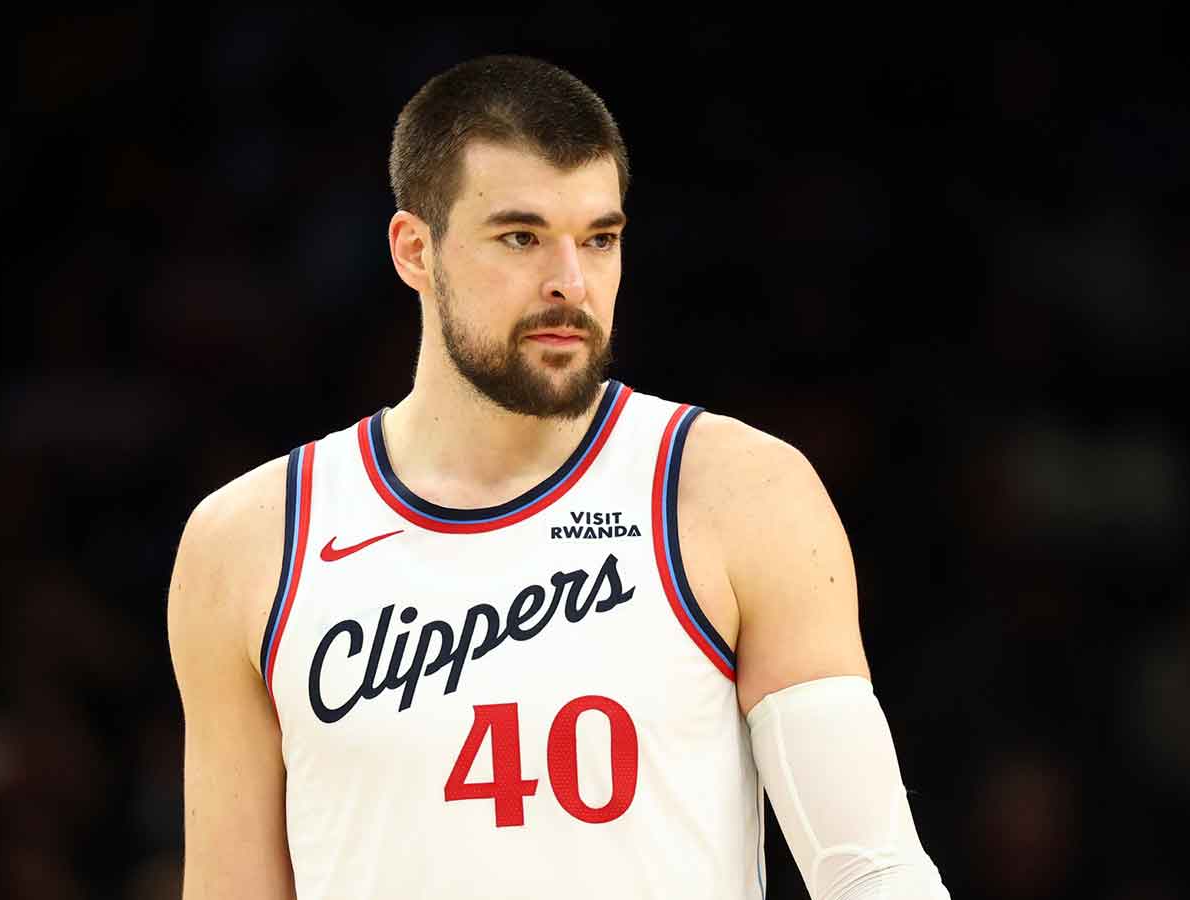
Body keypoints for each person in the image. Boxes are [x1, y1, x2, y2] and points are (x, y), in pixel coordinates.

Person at [168, 54, 951, 900]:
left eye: (600, 239)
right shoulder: (248, 542)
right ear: (414, 251)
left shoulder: (736, 491)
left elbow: (869, 870)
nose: (570, 285)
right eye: (521, 237)